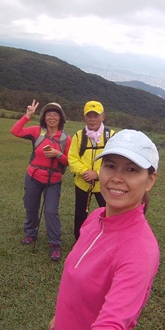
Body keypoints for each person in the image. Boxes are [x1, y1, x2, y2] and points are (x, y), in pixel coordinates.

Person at [25, 129, 160, 330]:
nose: (117, 178)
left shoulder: (139, 250)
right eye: (110, 166)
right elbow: (76, 279)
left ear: (150, 180)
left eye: (131, 169)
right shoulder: (96, 217)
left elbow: (112, 325)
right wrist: (60, 318)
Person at [11, 101, 71, 261]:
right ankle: (30, 233)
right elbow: (15, 131)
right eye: (49, 114)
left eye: (55, 114)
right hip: (33, 176)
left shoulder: (65, 138)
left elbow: (70, 161)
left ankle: (55, 243)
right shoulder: (37, 131)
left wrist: (58, 154)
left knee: (51, 211)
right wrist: (27, 116)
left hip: (54, 179)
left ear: (61, 118)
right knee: (31, 207)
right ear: (44, 117)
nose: (52, 117)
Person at [67, 101, 112, 241]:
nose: (92, 119)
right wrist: (85, 172)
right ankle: (79, 240)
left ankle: (109, 240)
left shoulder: (111, 136)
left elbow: (116, 162)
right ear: (84, 117)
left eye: (96, 115)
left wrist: (97, 174)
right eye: (89, 116)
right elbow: (72, 158)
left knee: (109, 213)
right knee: (80, 213)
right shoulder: (79, 136)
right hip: (83, 182)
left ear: (102, 117)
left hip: (105, 184)